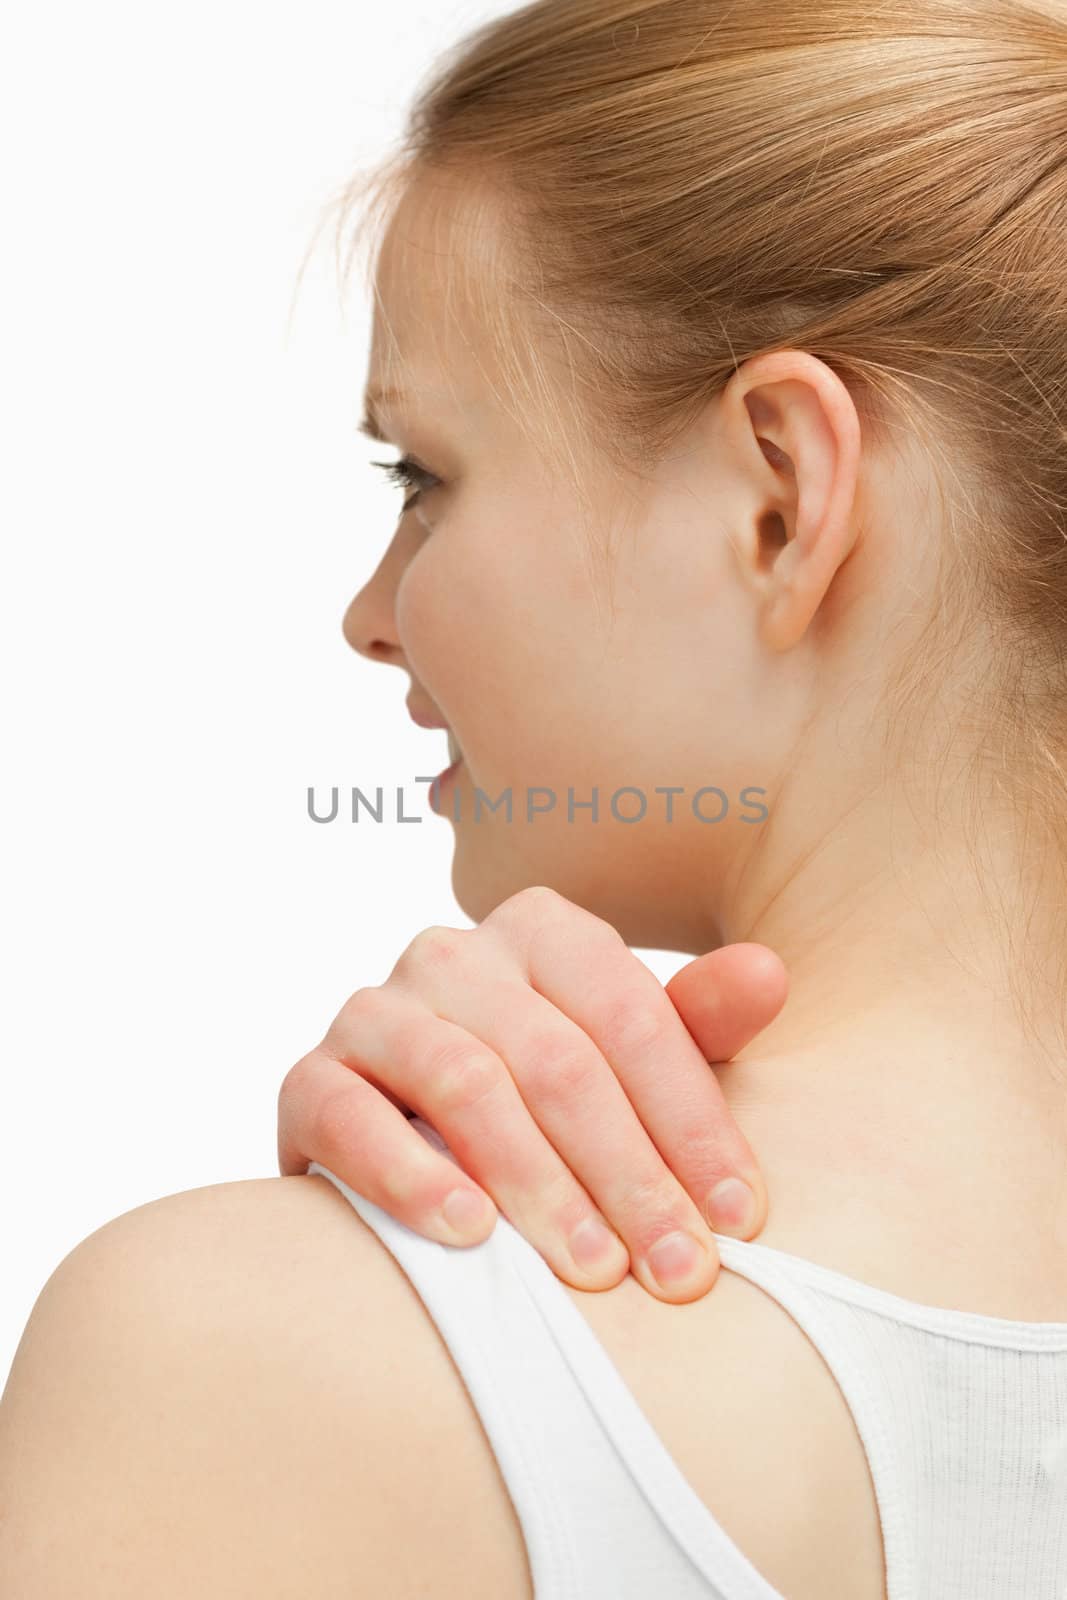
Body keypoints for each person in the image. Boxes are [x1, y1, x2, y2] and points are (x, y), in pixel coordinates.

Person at [3, 0, 1067, 1595]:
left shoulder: (252, 1364)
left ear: (781, 497)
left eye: (424, 477)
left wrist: (327, 1301)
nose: (370, 612)